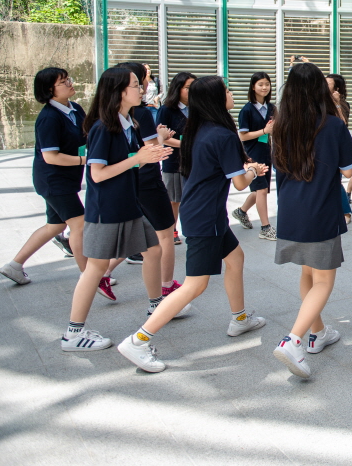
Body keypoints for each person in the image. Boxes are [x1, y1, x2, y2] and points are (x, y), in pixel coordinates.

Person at [118, 76, 268, 373]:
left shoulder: (199, 129)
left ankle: (239, 319)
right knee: (195, 285)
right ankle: (138, 341)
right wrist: (253, 170)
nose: (231, 93)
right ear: (216, 99)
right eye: (227, 90)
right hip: (206, 218)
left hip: (203, 213)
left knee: (235, 258)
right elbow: (240, 183)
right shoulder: (222, 134)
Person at [63, 68, 171, 353]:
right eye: (136, 85)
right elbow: (97, 174)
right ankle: (73, 334)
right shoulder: (103, 128)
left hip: (128, 204)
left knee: (154, 251)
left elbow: (130, 160)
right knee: (96, 269)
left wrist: (150, 154)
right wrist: (138, 158)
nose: (142, 89)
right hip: (107, 210)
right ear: (120, 92)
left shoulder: (129, 124)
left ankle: (156, 306)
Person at [271, 63, 352, 379]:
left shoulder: (281, 125)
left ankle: (317, 332)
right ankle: (293, 340)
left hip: (290, 211)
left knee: (308, 273)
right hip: (321, 211)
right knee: (323, 280)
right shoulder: (332, 125)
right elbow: (349, 170)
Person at [0, 68, 89, 285]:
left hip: (66, 179)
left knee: (56, 226)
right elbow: (51, 157)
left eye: (68, 79)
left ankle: (14, 266)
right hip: (53, 181)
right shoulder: (48, 118)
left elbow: (87, 135)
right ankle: (90, 277)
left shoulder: (75, 109)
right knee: (79, 225)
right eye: (63, 82)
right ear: (49, 90)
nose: (70, 83)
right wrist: (85, 160)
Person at [114, 62, 184, 301]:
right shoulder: (138, 114)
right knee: (164, 235)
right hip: (147, 179)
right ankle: (165, 287)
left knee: (147, 240)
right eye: (140, 82)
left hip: (136, 179)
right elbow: (148, 151)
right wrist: (161, 138)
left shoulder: (126, 116)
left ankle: (156, 297)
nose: (144, 87)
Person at [232, 72, 277, 241]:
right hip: (252, 154)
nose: (264, 87)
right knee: (261, 190)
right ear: (253, 87)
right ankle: (265, 227)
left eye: (267, 84)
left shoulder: (272, 108)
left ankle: (241, 211)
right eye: (260, 84)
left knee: (261, 189)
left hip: (266, 151)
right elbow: (243, 136)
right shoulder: (247, 110)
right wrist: (264, 131)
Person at [156, 72, 197, 245]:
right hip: (173, 162)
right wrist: (186, 144)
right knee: (174, 199)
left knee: (191, 198)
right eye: (188, 87)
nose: (191, 91)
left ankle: (192, 229)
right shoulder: (166, 110)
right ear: (178, 88)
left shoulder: (197, 109)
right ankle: (171, 230)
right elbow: (162, 137)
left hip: (194, 161)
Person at [327, 74, 352, 224]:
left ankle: (346, 212)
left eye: (328, 83)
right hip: (326, 144)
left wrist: (336, 103)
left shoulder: (343, 103)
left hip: (337, 145)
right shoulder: (321, 102)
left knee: (336, 179)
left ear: (336, 88)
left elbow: (343, 124)